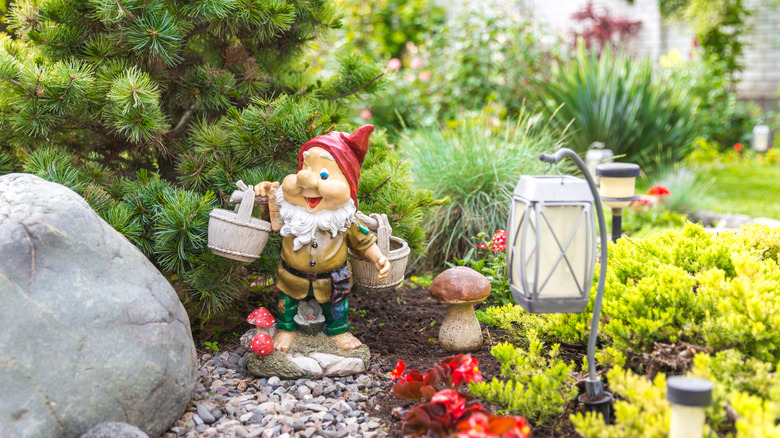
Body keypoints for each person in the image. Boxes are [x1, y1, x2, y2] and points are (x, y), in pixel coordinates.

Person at [254, 125, 390, 351]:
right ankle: (287, 329)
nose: (307, 181)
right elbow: (268, 214)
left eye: (324, 174)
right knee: (286, 304)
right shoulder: (289, 211)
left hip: (332, 281)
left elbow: (364, 240)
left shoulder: (345, 219)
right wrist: (266, 191)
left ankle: (339, 331)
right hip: (292, 277)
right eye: (305, 168)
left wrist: (378, 258)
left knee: (337, 308)